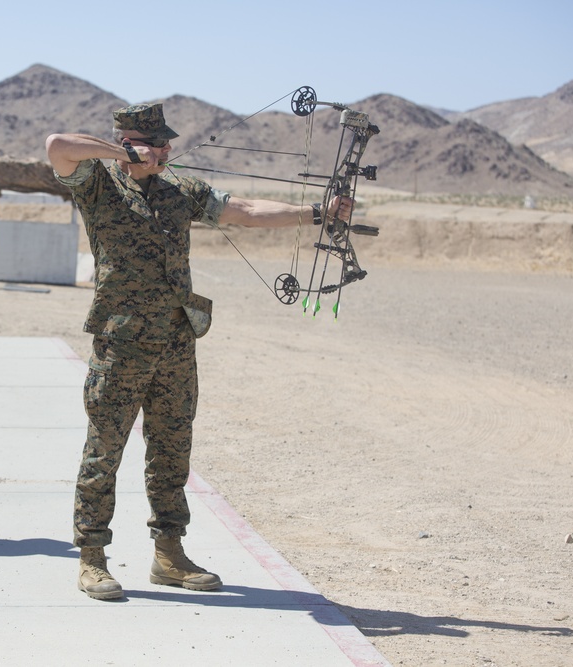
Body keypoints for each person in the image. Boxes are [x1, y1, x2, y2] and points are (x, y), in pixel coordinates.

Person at [45, 103, 354, 600]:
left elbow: (245, 212)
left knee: (171, 451)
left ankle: (169, 554)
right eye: (157, 143)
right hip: (121, 346)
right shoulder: (98, 185)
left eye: (167, 143)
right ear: (131, 142)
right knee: (104, 452)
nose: (167, 150)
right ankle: (92, 558)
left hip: (175, 343)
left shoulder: (181, 191)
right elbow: (57, 145)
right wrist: (121, 151)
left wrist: (318, 213)